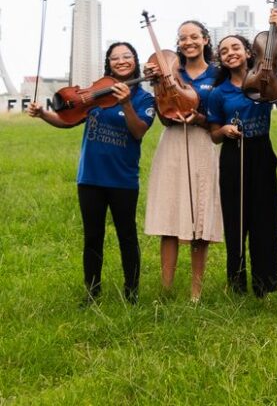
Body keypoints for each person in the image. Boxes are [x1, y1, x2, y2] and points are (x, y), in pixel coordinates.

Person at [28, 42, 155, 304]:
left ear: (135, 61)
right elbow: (67, 120)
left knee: (127, 236)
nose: (121, 61)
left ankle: (131, 292)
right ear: (108, 64)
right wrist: (43, 114)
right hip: (90, 178)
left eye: (126, 56)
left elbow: (139, 131)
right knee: (93, 236)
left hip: (123, 179)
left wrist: (127, 104)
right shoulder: (96, 95)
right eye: (115, 57)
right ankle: (92, 292)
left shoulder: (145, 99)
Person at [143, 20, 225, 302]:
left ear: (205, 39)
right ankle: (166, 290)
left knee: (199, 219)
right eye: (182, 38)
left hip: (203, 141)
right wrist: (157, 85)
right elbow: (164, 117)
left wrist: (201, 118)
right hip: (173, 142)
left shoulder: (218, 74)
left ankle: (195, 292)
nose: (187, 42)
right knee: (169, 216)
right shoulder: (169, 71)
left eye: (193, 37)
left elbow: (222, 112)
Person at [207, 32, 277, 297]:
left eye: (235, 47)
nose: (230, 53)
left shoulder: (264, 80)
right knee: (236, 220)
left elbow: (276, 55)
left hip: (261, 151)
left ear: (248, 52)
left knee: (264, 218)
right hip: (232, 154)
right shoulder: (217, 93)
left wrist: (276, 26)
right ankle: (237, 284)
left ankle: (265, 284)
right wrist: (224, 129)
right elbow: (213, 135)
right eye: (224, 51)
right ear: (220, 60)